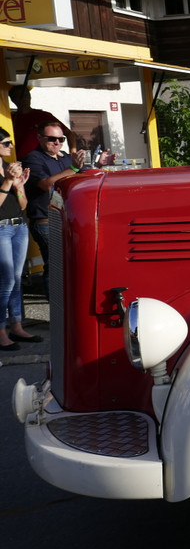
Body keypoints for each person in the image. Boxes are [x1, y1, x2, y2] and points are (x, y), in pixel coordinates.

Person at [22, 122, 116, 296]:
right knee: (56, 264)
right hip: (45, 220)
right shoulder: (33, 159)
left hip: (67, 219)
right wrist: (73, 168)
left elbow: (82, 176)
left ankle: (67, 303)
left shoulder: (65, 157)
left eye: (61, 139)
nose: (57, 143)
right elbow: (46, 184)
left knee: (71, 263)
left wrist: (99, 165)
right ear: (39, 138)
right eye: (52, 139)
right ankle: (56, 306)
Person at [0, 129, 38, 350]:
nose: (11, 147)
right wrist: (7, 182)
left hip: (19, 226)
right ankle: (1, 332)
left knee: (16, 279)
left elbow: (23, 205)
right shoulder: (7, 173)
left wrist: (20, 186)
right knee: (6, 281)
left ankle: (16, 326)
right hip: (1, 229)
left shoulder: (9, 168)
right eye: (6, 143)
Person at [7, 85, 75, 157]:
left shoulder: (43, 116)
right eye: (19, 96)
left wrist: (72, 154)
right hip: (18, 160)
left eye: (26, 95)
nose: (24, 98)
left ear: (30, 97)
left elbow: (69, 133)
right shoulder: (10, 118)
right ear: (13, 99)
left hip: (41, 160)